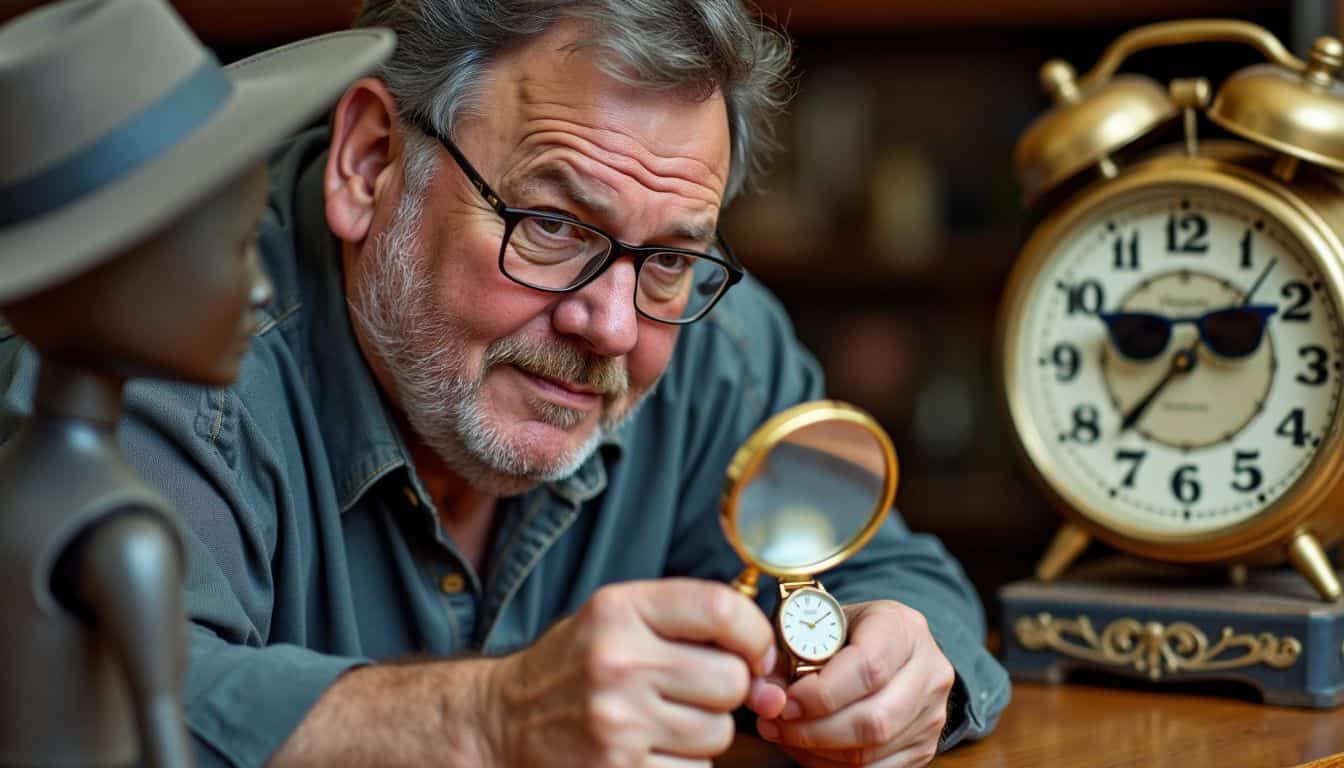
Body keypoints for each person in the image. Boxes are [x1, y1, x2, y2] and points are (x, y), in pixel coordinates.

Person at [0, 1, 1010, 766]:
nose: (610, 326)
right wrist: (492, 720)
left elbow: (900, 578)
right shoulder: (158, 332)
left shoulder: (707, 334)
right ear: (368, 161)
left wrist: (909, 671)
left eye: (668, 257)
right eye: (555, 227)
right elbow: (86, 707)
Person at [0, 1, 391, 766]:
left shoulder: (16, 486)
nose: (259, 289)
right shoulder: (124, 533)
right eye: (242, 246)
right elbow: (163, 743)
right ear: (111, 276)